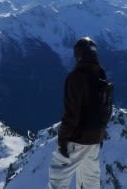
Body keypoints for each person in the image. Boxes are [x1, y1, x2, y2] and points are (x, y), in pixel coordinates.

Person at [47, 37, 109, 189]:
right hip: (95, 138)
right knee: (90, 179)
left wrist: (63, 140)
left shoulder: (76, 77)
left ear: (78, 55)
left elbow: (72, 114)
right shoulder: (101, 76)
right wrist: (99, 136)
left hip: (77, 138)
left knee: (58, 177)